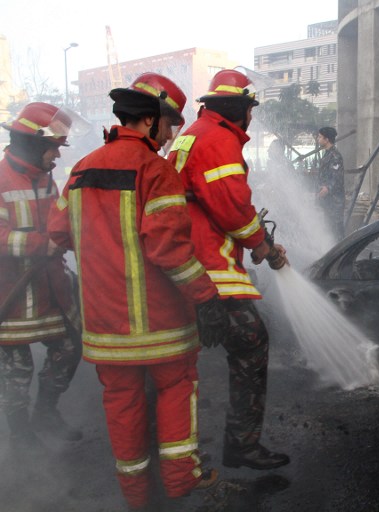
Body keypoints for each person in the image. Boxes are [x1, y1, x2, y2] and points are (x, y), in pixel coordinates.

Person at [48, 72, 225, 509]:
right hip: (161, 327)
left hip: (106, 329)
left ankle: (136, 498)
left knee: (122, 406)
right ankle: (181, 483)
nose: (171, 136)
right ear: (149, 121)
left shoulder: (81, 169)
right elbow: (169, 250)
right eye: (170, 126)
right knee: (175, 391)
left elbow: (57, 230)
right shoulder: (155, 170)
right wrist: (207, 297)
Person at [167, 68, 290, 471]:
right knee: (252, 344)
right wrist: (263, 246)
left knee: (179, 362)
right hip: (210, 267)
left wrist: (256, 240)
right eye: (250, 109)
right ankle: (241, 444)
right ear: (238, 108)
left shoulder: (193, 135)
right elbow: (232, 207)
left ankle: (174, 452)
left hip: (186, 263)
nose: (252, 118)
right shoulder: (219, 139)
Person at [0, 102, 83, 451]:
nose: (58, 157)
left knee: (69, 346)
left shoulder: (46, 178)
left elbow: (58, 224)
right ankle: (20, 437)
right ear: (36, 144)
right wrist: (40, 244)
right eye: (54, 148)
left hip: (50, 289)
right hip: (12, 296)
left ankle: (46, 412)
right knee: (17, 374)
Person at [314, 126, 345, 241]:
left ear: (326, 139)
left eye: (320, 137)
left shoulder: (335, 156)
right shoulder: (327, 154)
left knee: (336, 231)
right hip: (327, 201)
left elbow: (336, 178)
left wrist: (326, 189)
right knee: (328, 230)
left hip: (334, 202)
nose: (318, 139)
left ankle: (341, 255)